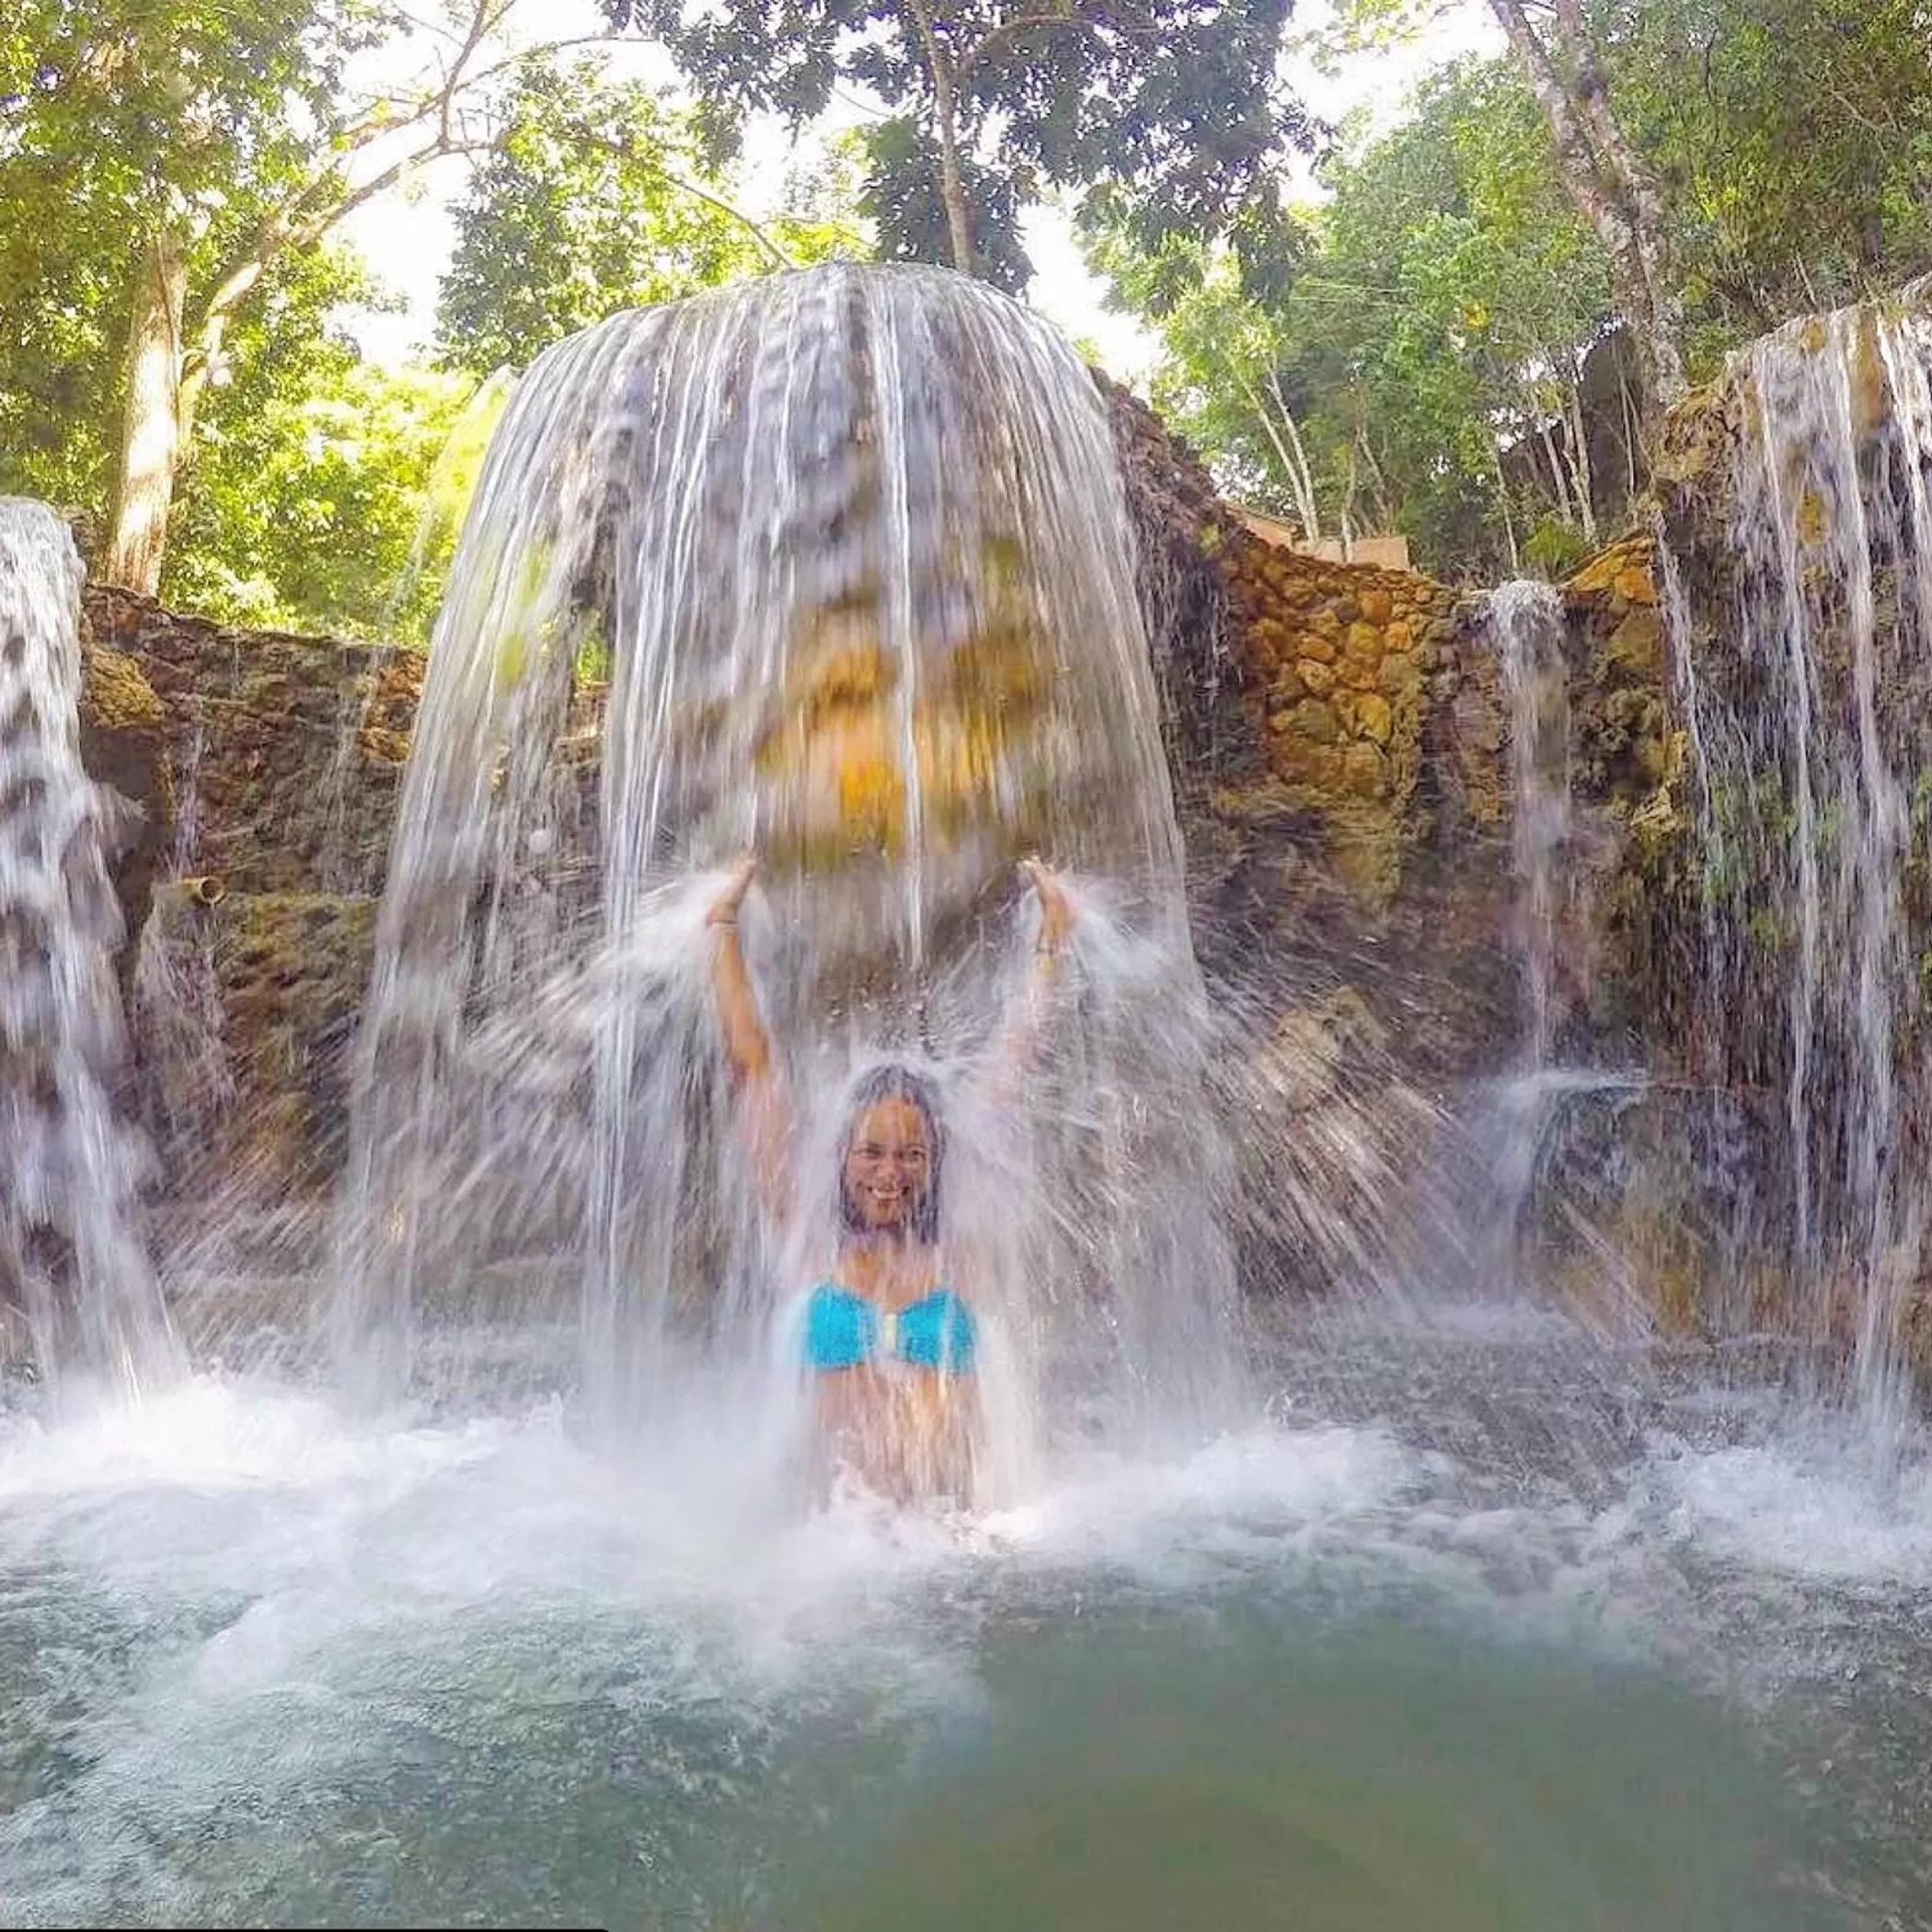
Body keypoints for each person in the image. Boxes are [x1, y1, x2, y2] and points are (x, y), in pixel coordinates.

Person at [705, 854, 1073, 1505]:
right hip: (839, 1544)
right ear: (841, 1157)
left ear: (934, 1161)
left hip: (949, 1537)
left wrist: (1051, 946)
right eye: (871, 1153)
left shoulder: (956, 1245)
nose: (889, 1174)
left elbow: (1016, 1061)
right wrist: (723, 928)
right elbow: (753, 1064)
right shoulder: (808, 1237)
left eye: (910, 1156)